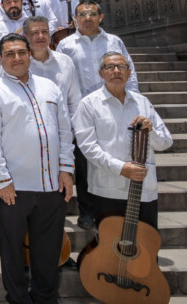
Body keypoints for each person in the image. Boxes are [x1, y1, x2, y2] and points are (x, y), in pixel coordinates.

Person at [0, 33, 74, 304]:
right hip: (14, 187)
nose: (17, 58)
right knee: (12, 248)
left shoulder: (50, 87)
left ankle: (45, 297)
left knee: (48, 248)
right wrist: (2, 179)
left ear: (30, 54)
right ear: (0, 58)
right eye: (10, 54)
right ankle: (18, 298)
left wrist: (66, 169)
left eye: (21, 52)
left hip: (52, 185)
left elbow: (65, 131)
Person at [56, 0, 138, 229]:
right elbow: (61, 79)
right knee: (84, 165)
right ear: (75, 19)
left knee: (112, 158)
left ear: (101, 17)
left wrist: (134, 101)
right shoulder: (65, 45)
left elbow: (128, 72)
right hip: (81, 112)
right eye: (82, 14)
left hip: (113, 109)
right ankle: (87, 211)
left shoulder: (114, 41)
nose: (87, 18)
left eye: (92, 14)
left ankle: (113, 212)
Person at [73, 51, 172, 229]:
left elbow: (165, 143)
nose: (116, 71)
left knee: (146, 248)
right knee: (108, 250)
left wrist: (152, 131)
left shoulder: (142, 102)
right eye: (110, 67)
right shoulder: (89, 104)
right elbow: (88, 148)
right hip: (107, 190)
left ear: (129, 72)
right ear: (101, 73)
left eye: (121, 67)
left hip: (143, 190)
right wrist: (121, 168)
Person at [23, 16, 81, 117]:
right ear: (25, 37)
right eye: (35, 33)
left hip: (64, 128)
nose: (41, 36)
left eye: (44, 32)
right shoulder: (18, 65)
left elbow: (74, 101)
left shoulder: (65, 61)